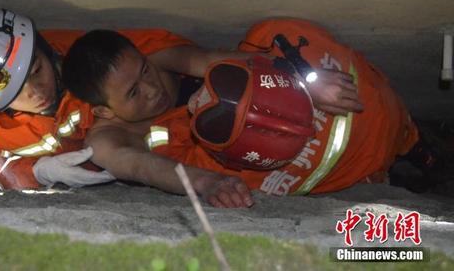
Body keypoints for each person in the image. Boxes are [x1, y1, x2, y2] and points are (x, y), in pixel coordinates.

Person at [62, 18, 419, 205]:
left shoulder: (159, 59)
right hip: (246, 157)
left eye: (144, 70)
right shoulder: (108, 139)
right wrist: (209, 184)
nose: (153, 88)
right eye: (134, 92)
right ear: (104, 111)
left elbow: (218, 61)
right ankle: (389, 174)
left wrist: (302, 80)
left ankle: (415, 145)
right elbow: (143, 167)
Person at [0, 8, 208, 190]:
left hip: (180, 104)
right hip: (154, 145)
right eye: (15, 93)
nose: (36, 91)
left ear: (43, 48)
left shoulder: (76, 53)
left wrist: (204, 80)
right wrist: (37, 172)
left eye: (37, 70)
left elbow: (149, 53)